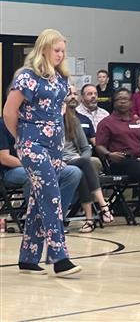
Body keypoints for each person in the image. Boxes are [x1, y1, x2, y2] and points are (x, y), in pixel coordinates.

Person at [2, 29, 81, 276]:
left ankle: (28, 257)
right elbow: (9, 112)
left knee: (39, 200)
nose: (60, 55)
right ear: (44, 49)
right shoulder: (26, 77)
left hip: (55, 145)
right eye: (56, 50)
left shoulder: (60, 79)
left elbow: (60, 111)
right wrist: (20, 139)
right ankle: (59, 257)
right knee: (51, 195)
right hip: (31, 144)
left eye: (63, 51)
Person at [0, 118, 82, 222]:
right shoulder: (2, 125)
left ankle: (56, 219)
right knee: (35, 174)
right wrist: (33, 165)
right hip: (11, 170)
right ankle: (39, 221)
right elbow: (4, 158)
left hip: (40, 164)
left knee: (73, 172)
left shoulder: (36, 124)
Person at [63, 87, 114, 233]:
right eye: (68, 94)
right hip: (59, 161)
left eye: (74, 93)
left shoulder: (74, 120)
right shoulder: (49, 120)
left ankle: (89, 220)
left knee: (83, 167)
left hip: (75, 159)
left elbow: (86, 147)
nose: (72, 97)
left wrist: (81, 158)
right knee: (85, 164)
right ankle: (103, 206)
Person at [96, 88, 140, 215]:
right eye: (119, 99)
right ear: (114, 102)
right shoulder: (106, 123)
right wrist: (109, 154)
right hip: (120, 161)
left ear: (131, 103)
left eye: (125, 99)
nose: (122, 102)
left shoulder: (139, 122)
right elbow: (99, 146)